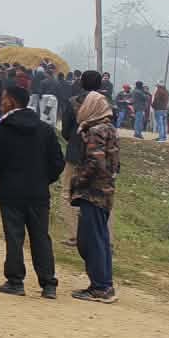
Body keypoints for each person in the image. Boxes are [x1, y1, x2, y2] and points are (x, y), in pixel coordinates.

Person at [0, 80, 62, 298]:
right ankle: (48, 284)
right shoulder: (45, 130)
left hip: (11, 190)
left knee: (14, 235)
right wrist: (44, 179)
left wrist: (1, 178)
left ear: (11, 101)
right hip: (38, 192)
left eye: (3, 99)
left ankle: (15, 281)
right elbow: (57, 162)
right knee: (41, 236)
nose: (0, 103)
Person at [68, 71, 120, 303]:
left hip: (93, 193)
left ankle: (100, 287)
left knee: (91, 241)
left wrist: (78, 181)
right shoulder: (110, 128)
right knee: (99, 239)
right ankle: (103, 285)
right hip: (105, 192)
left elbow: (94, 162)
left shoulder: (96, 132)